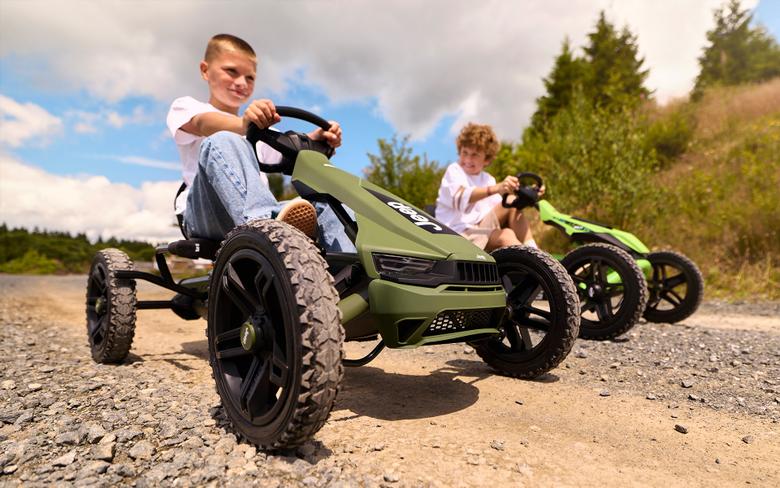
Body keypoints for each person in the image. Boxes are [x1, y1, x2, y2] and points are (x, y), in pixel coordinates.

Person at [166, 33, 353, 251]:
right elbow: (202, 124)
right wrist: (244, 124)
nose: (241, 83)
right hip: (204, 215)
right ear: (205, 70)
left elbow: (288, 154)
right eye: (231, 71)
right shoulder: (188, 107)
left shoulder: (261, 130)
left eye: (250, 78)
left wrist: (316, 139)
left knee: (335, 209)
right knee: (224, 140)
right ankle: (267, 227)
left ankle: (346, 270)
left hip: (259, 214)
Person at [434, 122, 542, 252]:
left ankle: (535, 251)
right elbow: (461, 197)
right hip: (456, 234)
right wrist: (496, 188)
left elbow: (503, 205)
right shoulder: (454, 171)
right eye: (465, 153)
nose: (468, 159)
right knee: (506, 235)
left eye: (475, 155)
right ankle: (533, 265)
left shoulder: (487, 179)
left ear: (486, 160)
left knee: (512, 203)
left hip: (479, 228)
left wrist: (529, 193)